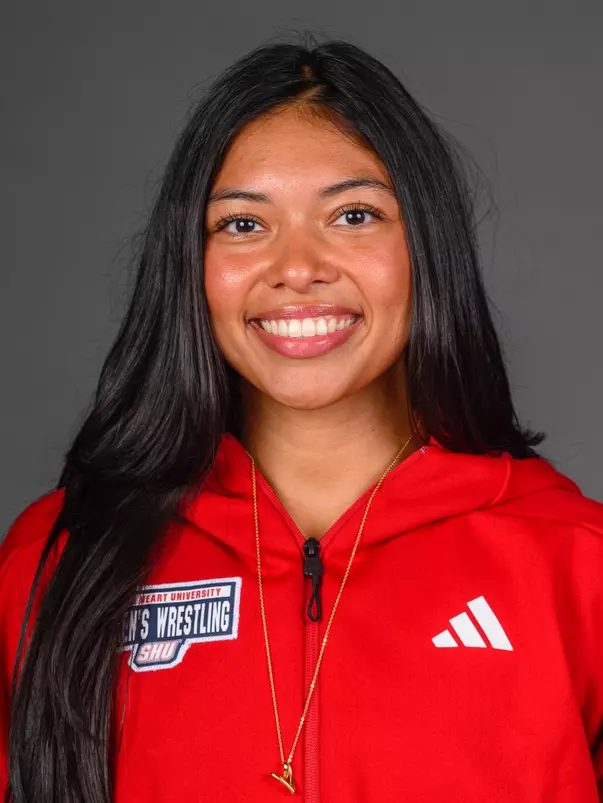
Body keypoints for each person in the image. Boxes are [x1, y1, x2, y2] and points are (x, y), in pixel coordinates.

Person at [1, 32, 603, 803]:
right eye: (243, 225)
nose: (297, 267)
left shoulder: (574, 565)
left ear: (427, 245)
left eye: (354, 215)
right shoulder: (55, 564)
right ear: (191, 263)